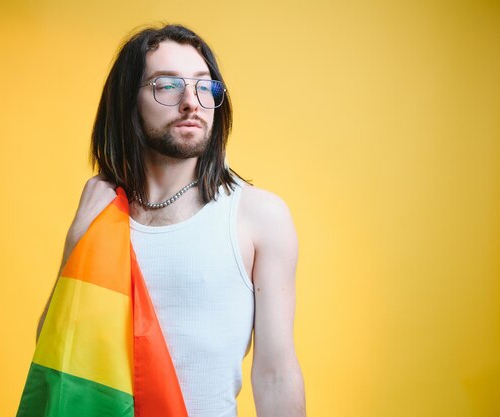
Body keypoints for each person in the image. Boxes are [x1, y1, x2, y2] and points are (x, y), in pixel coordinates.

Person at [37, 24, 306, 417]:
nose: (190, 102)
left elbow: (276, 373)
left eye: (204, 86)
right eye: (167, 85)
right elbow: (57, 356)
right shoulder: (103, 214)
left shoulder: (258, 216)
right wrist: (75, 242)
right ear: (128, 101)